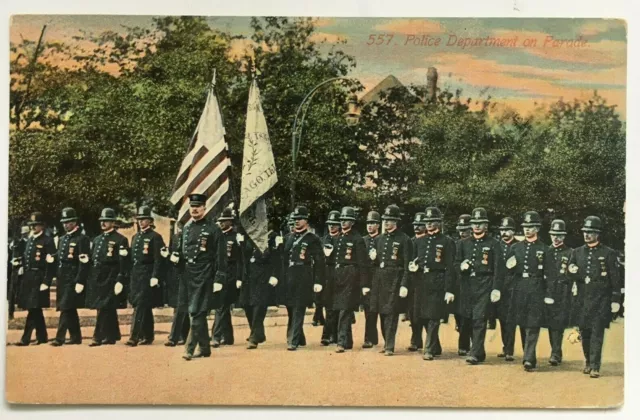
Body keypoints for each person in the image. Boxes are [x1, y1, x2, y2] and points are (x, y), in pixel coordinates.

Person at [176, 193, 227, 361]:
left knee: (196, 311)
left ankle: (189, 349)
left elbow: (221, 257)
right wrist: (176, 259)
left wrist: (219, 278)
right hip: (188, 274)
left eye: (198, 206)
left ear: (205, 208)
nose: (195, 209)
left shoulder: (214, 229)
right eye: (192, 206)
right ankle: (205, 348)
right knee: (196, 311)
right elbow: (182, 251)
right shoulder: (187, 227)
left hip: (205, 273)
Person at [568, 216, 621, 378]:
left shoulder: (609, 253)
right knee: (585, 333)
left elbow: (615, 278)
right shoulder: (577, 252)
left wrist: (615, 299)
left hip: (601, 299)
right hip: (583, 300)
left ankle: (595, 366)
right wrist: (572, 271)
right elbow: (570, 273)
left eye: (591, 232)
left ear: (598, 234)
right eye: (585, 232)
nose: (587, 235)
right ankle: (588, 361)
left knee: (597, 332)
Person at [505, 211, 555, 372]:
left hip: (536, 288)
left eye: (531, 227)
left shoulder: (545, 249)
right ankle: (529, 355)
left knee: (533, 324)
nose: (527, 230)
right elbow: (509, 270)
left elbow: (551, 274)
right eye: (526, 227)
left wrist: (549, 294)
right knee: (522, 323)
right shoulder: (515, 247)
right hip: (519, 288)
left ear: (537, 229)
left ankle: (528, 357)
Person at [404, 207, 455, 360]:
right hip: (421, 281)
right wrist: (413, 269)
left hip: (437, 281)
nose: (429, 224)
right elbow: (412, 262)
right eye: (427, 222)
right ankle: (436, 345)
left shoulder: (447, 242)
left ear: (439, 223)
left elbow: (450, 267)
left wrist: (449, 289)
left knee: (433, 316)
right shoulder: (419, 241)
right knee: (422, 316)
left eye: (433, 221)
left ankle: (429, 349)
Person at [455, 207, 504, 365]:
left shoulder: (494, 244)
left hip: (485, 284)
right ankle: (479, 351)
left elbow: (498, 268)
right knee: (467, 318)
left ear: (486, 226)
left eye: (480, 223)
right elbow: (455, 263)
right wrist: (461, 265)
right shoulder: (463, 243)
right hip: (467, 284)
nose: (476, 226)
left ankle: (475, 353)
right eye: (474, 223)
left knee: (479, 319)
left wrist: (496, 288)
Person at [369, 204, 412, 356]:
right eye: (385, 219)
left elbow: (407, 264)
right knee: (381, 312)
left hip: (395, 279)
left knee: (391, 313)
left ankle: (390, 345)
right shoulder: (379, 239)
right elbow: (375, 263)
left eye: (390, 219)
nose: (386, 222)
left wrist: (404, 284)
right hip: (380, 280)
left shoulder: (404, 239)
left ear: (396, 221)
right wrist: (373, 259)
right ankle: (386, 341)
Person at [282, 205, 325, 351]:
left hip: (304, 274)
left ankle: (292, 339)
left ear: (306, 221)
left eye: (299, 219)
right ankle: (300, 337)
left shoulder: (313, 239)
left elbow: (319, 261)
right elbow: (283, 258)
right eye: (294, 219)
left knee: (299, 307)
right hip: (289, 275)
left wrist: (318, 281)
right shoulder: (288, 238)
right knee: (290, 307)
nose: (296, 222)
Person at [85, 208, 130, 346]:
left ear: (113, 222)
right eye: (102, 221)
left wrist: (120, 279)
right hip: (98, 276)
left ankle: (97, 337)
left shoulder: (120, 239)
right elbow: (94, 257)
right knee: (106, 307)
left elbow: (123, 262)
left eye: (106, 221)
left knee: (104, 306)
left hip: (111, 275)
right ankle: (112, 335)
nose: (103, 223)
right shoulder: (98, 239)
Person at [14, 212, 56, 346]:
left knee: (33, 308)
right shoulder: (30, 240)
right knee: (35, 308)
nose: (33, 227)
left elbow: (51, 263)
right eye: (31, 225)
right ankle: (42, 336)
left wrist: (47, 281)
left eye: (36, 225)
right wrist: (20, 263)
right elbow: (27, 258)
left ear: (42, 226)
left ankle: (25, 338)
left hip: (39, 278)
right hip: (28, 278)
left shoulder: (47, 241)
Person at [238, 224, 283, 349]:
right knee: (245, 304)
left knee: (259, 306)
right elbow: (244, 257)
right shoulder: (250, 236)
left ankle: (253, 338)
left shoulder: (273, 237)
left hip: (264, 275)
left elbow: (277, 257)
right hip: (249, 275)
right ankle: (258, 333)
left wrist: (275, 275)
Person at [329, 206, 367, 353]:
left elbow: (363, 263)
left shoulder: (357, 239)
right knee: (339, 308)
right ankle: (348, 341)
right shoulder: (339, 238)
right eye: (342, 220)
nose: (344, 222)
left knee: (345, 309)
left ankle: (341, 341)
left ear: (352, 222)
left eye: (347, 220)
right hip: (338, 275)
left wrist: (364, 284)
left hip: (351, 276)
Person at [50, 207, 90, 346]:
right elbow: (61, 254)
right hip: (63, 276)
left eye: (69, 222)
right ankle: (75, 337)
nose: (66, 224)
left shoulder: (82, 239)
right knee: (70, 308)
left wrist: (80, 280)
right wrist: (53, 258)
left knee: (65, 307)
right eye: (64, 222)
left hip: (73, 277)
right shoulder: (62, 239)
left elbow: (84, 261)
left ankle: (59, 338)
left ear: (75, 222)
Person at [126, 206, 165, 346]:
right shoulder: (135, 237)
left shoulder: (155, 237)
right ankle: (148, 336)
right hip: (136, 275)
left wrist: (155, 276)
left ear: (150, 221)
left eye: (144, 219)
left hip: (147, 274)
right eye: (139, 219)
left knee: (140, 305)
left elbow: (158, 259)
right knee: (143, 305)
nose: (141, 222)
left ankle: (134, 337)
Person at [211, 207, 243, 347]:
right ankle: (228, 337)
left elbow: (240, 260)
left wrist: (239, 277)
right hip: (219, 273)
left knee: (221, 306)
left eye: (225, 221)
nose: (221, 223)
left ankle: (215, 336)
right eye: (220, 221)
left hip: (231, 275)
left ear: (231, 221)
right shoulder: (217, 236)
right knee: (223, 307)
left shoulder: (235, 237)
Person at [545, 219, 574, 366]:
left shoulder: (570, 253)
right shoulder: (546, 251)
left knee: (558, 322)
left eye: (559, 235)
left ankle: (555, 352)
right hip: (548, 290)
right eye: (553, 235)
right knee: (550, 322)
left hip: (563, 291)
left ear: (564, 236)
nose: (556, 238)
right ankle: (555, 350)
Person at [495, 217, 524, 361]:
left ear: (513, 231)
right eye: (502, 230)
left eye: (508, 230)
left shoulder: (520, 246)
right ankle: (507, 348)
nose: (505, 233)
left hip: (516, 286)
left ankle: (522, 350)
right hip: (501, 286)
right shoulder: (496, 246)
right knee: (503, 319)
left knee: (518, 319)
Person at [165, 221, 190, 346]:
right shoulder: (174, 238)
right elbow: (172, 252)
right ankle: (180, 335)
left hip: (187, 273)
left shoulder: (190, 236)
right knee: (178, 306)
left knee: (183, 307)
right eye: (179, 225)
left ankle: (179, 335)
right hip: (175, 275)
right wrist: (168, 256)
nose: (179, 227)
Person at [320, 210, 341, 346]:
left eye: (334, 224)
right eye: (330, 224)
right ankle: (328, 334)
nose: (331, 227)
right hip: (326, 273)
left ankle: (334, 334)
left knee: (337, 305)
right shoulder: (324, 239)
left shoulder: (341, 239)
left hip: (338, 273)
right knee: (327, 305)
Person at [407, 212, 427, 352]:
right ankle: (416, 339)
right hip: (412, 279)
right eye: (415, 225)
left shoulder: (429, 241)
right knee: (413, 312)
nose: (417, 227)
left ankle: (432, 342)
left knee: (425, 312)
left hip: (425, 279)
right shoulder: (411, 240)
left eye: (420, 225)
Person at [361, 211, 381, 349]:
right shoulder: (363, 240)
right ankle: (369, 338)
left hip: (381, 278)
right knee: (369, 310)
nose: (369, 226)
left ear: (378, 225)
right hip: (367, 277)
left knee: (381, 309)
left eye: (372, 223)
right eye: (368, 223)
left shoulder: (383, 239)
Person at [453, 214, 473, 356]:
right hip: (457, 283)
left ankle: (466, 344)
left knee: (469, 315)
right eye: (461, 229)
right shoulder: (456, 244)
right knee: (459, 315)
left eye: (465, 229)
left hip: (472, 283)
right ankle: (465, 341)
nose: (462, 232)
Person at [8, 224, 30, 320]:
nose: (24, 235)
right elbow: (14, 257)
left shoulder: (29, 242)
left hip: (25, 270)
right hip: (16, 269)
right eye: (24, 234)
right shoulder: (18, 243)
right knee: (12, 291)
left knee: (26, 290)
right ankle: (11, 312)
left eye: (26, 234)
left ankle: (27, 309)